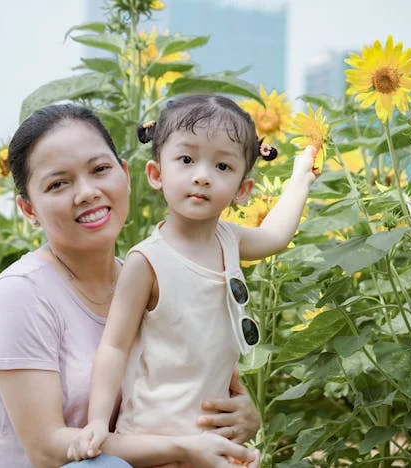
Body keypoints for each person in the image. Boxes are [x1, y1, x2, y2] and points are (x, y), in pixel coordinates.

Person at [0, 103, 262, 468]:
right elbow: (47, 450)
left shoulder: (151, 280)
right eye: (58, 183)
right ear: (29, 210)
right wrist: (185, 448)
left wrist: (242, 417)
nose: (87, 192)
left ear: (127, 175)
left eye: (99, 170)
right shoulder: (20, 294)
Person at [69, 95, 318, 465]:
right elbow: (114, 347)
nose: (202, 175)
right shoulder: (147, 260)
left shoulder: (230, 240)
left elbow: (276, 236)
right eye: (186, 160)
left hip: (212, 436)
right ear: (157, 174)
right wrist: (97, 422)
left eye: (221, 165)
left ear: (241, 190)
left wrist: (300, 178)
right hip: (154, 440)